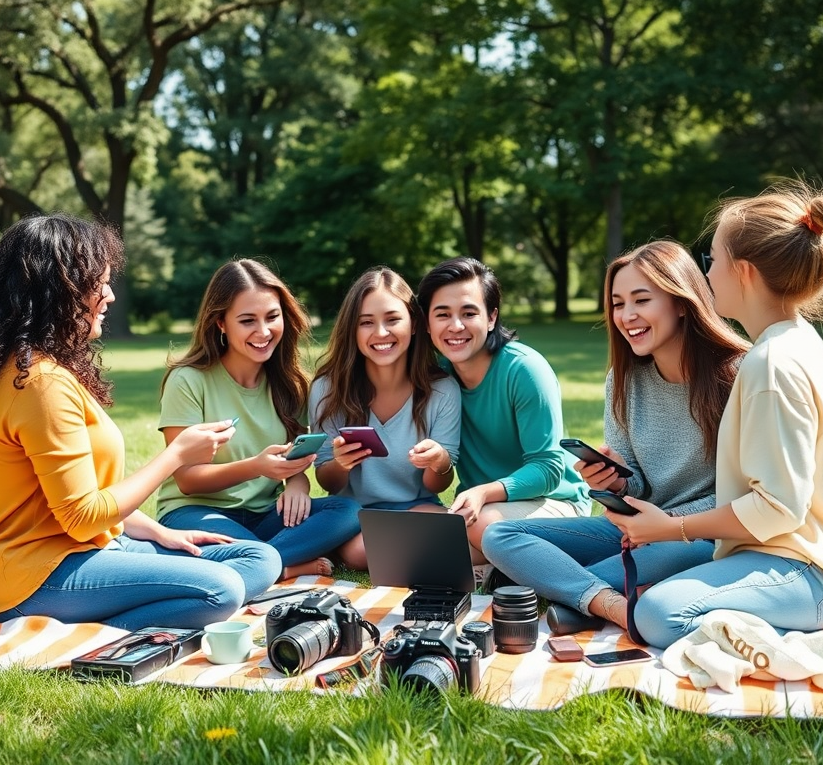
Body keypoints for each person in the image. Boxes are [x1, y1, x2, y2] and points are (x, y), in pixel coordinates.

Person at [0, 214, 283, 630]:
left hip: (90, 548)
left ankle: (26, 604)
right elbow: (84, 515)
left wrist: (157, 532)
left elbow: (82, 497)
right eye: (98, 284)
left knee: (260, 557)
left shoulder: (47, 370)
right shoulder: (39, 385)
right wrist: (176, 456)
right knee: (222, 591)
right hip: (37, 569)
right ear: (60, 291)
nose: (108, 295)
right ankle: (49, 617)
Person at [609, 180, 823, 649]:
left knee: (659, 613)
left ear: (743, 272)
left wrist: (672, 528)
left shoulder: (771, 364)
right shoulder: (790, 339)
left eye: (713, 261)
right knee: (647, 601)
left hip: (808, 574)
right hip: (777, 560)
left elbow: (779, 507)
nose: (707, 276)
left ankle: (787, 642)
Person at [483, 240, 750, 631]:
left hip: (702, 536)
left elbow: (748, 493)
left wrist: (668, 523)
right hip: (634, 529)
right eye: (618, 303)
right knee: (499, 536)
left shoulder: (739, 374)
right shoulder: (623, 382)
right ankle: (609, 601)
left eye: (641, 300)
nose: (626, 315)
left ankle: (567, 592)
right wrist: (619, 480)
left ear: (681, 301)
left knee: (640, 560)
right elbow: (637, 487)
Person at [155, 259, 361, 579]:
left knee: (348, 510)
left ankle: (260, 561)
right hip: (195, 512)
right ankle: (279, 564)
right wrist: (256, 466)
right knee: (251, 546)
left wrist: (297, 483)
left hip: (264, 514)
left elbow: (295, 457)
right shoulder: (188, 380)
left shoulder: (290, 385)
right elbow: (186, 478)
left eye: (272, 317)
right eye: (247, 320)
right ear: (221, 322)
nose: (263, 332)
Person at [415, 257, 590, 569]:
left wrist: (484, 491)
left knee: (482, 526)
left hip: (554, 502)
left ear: (492, 317)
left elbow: (548, 470)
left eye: (469, 313)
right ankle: (502, 563)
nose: (456, 326)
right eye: (443, 315)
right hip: (481, 509)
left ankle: (558, 555)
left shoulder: (524, 370)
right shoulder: (438, 378)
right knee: (418, 527)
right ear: (427, 324)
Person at [309, 266, 461, 569]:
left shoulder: (442, 389)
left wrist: (440, 460)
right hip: (353, 513)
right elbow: (327, 480)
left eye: (393, 320)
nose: (380, 333)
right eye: (366, 323)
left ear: (414, 323)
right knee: (359, 553)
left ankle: (425, 554)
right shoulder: (327, 388)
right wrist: (341, 463)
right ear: (353, 329)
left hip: (417, 507)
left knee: (463, 532)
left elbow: (436, 485)